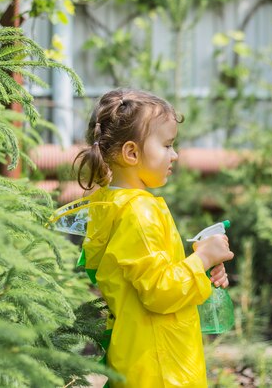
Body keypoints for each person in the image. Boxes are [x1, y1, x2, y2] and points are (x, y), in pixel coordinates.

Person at [73, 88, 234, 387]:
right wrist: (202, 259)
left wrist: (198, 266)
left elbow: (144, 283)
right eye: (168, 145)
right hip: (161, 370)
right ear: (132, 153)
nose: (175, 154)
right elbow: (160, 292)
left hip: (139, 357)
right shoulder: (139, 212)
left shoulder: (110, 205)